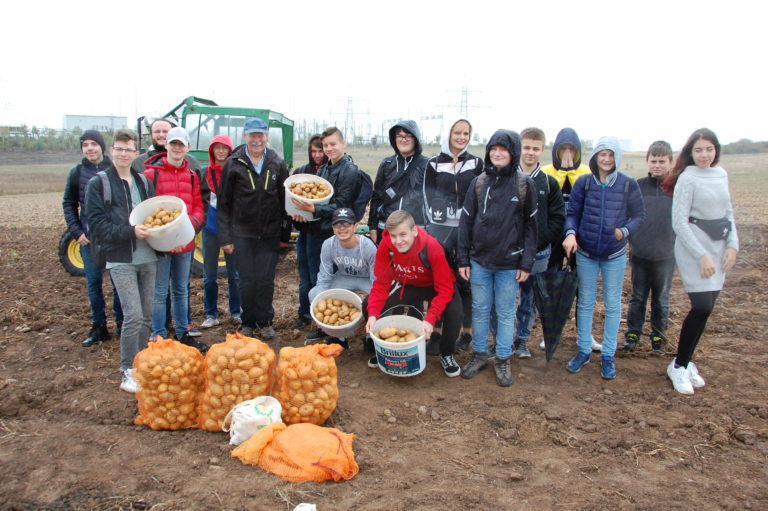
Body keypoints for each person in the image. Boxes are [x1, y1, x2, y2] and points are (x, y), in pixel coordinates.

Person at [457, 130, 538, 386]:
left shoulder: (524, 185)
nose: (498, 153)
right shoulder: (479, 183)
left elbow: (531, 227)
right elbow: (465, 222)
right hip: (480, 261)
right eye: (494, 148)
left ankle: (503, 358)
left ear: (512, 152)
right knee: (480, 310)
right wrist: (463, 259)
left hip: (509, 265)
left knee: (504, 312)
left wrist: (526, 263)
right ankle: (480, 354)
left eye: (503, 149)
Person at [563, 136, 645, 380]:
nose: (606, 159)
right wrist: (570, 234)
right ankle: (583, 350)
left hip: (614, 254)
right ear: (595, 157)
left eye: (611, 155)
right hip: (587, 253)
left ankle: (608, 354)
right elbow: (573, 213)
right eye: (602, 154)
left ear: (617, 158)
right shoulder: (584, 183)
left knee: (612, 305)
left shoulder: (628, 184)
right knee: (586, 303)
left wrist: (625, 231)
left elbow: (639, 215)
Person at [663, 128, 738, 395]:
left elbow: (728, 213)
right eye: (698, 150)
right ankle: (678, 365)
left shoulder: (721, 175)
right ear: (690, 153)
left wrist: (733, 246)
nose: (704, 155)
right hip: (694, 247)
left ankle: (686, 361)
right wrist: (702, 255)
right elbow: (679, 223)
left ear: (716, 149)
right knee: (701, 305)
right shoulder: (687, 178)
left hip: (718, 247)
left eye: (709, 149)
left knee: (707, 309)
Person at [85, 129, 156, 393]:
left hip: (148, 256)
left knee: (147, 315)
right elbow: (98, 226)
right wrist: (130, 231)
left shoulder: (143, 182)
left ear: (136, 153)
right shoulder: (99, 183)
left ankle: (143, 364)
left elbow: (151, 215)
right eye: (119, 149)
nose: (124, 154)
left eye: (129, 150)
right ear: (112, 151)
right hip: (120, 258)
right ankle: (128, 370)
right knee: (133, 316)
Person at [365, 210, 463, 377]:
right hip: (408, 284)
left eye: (403, 234)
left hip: (436, 286)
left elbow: (445, 288)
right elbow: (381, 283)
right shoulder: (386, 246)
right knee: (367, 305)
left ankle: (446, 354)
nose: (398, 241)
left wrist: (430, 319)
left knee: (455, 312)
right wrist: (373, 314)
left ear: (414, 231)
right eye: (393, 235)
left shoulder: (431, 246)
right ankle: (382, 349)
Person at [133, 117, 207, 337]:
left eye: (181, 144)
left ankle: (183, 331)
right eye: (173, 144)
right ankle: (158, 333)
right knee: (159, 291)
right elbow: (144, 209)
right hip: (160, 245)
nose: (176, 148)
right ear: (166, 145)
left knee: (181, 289)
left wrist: (189, 228)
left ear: (187, 148)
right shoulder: (150, 175)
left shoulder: (192, 176)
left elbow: (198, 207)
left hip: (185, 242)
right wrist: (161, 237)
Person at [217, 118, 290, 341]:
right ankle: (248, 321)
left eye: (260, 135)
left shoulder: (277, 163)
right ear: (245, 136)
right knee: (247, 280)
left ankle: (265, 322)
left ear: (266, 136)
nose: (257, 139)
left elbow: (285, 201)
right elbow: (223, 203)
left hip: (269, 234)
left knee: (266, 280)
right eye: (252, 135)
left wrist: (284, 235)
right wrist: (225, 237)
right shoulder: (233, 163)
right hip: (242, 235)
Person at [291, 127, 365, 343]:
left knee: (322, 280)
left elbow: (341, 204)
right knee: (309, 277)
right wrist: (304, 213)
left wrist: (314, 211)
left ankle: (332, 330)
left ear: (343, 144)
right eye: (326, 145)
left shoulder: (349, 170)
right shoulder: (325, 168)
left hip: (328, 234)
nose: (329, 148)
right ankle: (315, 318)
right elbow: (318, 200)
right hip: (312, 230)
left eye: (333, 144)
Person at [422, 119, 484, 353]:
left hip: (467, 229)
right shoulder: (434, 164)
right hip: (439, 230)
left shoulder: (476, 163)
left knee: (465, 281)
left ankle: (466, 333)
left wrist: (470, 220)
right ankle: (436, 331)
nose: (461, 137)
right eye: (457, 132)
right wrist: (435, 223)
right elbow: (427, 196)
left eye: (466, 133)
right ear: (447, 135)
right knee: (438, 280)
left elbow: (480, 193)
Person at [541, 127, 602, 352]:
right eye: (563, 148)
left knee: (582, 287)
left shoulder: (587, 172)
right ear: (556, 150)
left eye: (571, 149)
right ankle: (550, 333)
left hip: (581, 239)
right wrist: (561, 171)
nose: (567, 153)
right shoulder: (547, 171)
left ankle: (584, 334)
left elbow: (589, 198)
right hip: (553, 239)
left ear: (578, 152)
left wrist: (572, 171)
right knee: (551, 286)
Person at [62, 129, 124, 346]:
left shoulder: (114, 169)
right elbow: (69, 204)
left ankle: (122, 324)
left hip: (114, 237)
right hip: (90, 239)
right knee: (94, 283)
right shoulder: (77, 173)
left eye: (93, 144)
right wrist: (77, 232)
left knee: (119, 282)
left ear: (102, 147)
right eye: (85, 144)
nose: (89, 148)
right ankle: (99, 327)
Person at [511, 128, 565, 358]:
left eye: (535, 148)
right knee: (504, 300)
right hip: (509, 252)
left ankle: (521, 340)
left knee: (529, 300)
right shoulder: (506, 178)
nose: (530, 152)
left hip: (539, 255)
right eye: (526, 147)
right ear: (519, 148)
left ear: (542, 150)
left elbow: (558, 218)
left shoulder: (549, 183)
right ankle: (504, 340)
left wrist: (536, 243)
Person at [623, 141, 676, 354]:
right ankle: (633, 335)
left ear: (670, 162)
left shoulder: (676, 188)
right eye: (653, 161)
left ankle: (658, 337)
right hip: (640, 254)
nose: (657, 165)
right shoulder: (638, 186)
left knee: (661, 298)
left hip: (666, 255)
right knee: (638, 297)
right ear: (647, 161)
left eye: (662, 161)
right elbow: (628, 215)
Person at [308, 207, 377, 349]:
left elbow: (377, 281)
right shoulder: (329, 244)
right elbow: (324, 278)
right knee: (314, 294)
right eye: (337, 225)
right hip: (344, 277)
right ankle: (338, 336)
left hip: (367, 279)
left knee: (384, 298)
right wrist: (318, 311)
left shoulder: (367, 247)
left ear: (355, 226)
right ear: (332, 227)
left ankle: (371, 337)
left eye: (346, 224)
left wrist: (366, 313)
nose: (342, 228)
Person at [199, 135, 241, 329]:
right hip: (210, 230)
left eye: (225, 148)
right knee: (209, 275)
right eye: (217, 148)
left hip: (232, 231)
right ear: (212, 150)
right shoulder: (204, 173)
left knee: (234, 274)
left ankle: (236, 311)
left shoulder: (235, 172)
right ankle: (211, 313)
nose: (221, 151)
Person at [369, 120, 429, 243]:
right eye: (399, 135)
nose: (403, 139)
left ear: (416, 139)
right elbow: (376, 197)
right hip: (386, 228)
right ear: (394, 139)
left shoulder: (427, 165)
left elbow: (432, 200)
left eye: (408, 135)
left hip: (416, 229)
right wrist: (373, 226)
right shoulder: (387, 164)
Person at [291, 135, 328, 330]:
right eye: (314, 151)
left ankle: (319, 315)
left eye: (320, 151)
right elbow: (291, 201)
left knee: (317, 276)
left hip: (321, 234)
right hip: (304, 232)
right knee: (304, 276)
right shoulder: (301, 172)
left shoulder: (328, 174)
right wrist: (295, 218)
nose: (317, 155)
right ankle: (304, 313)